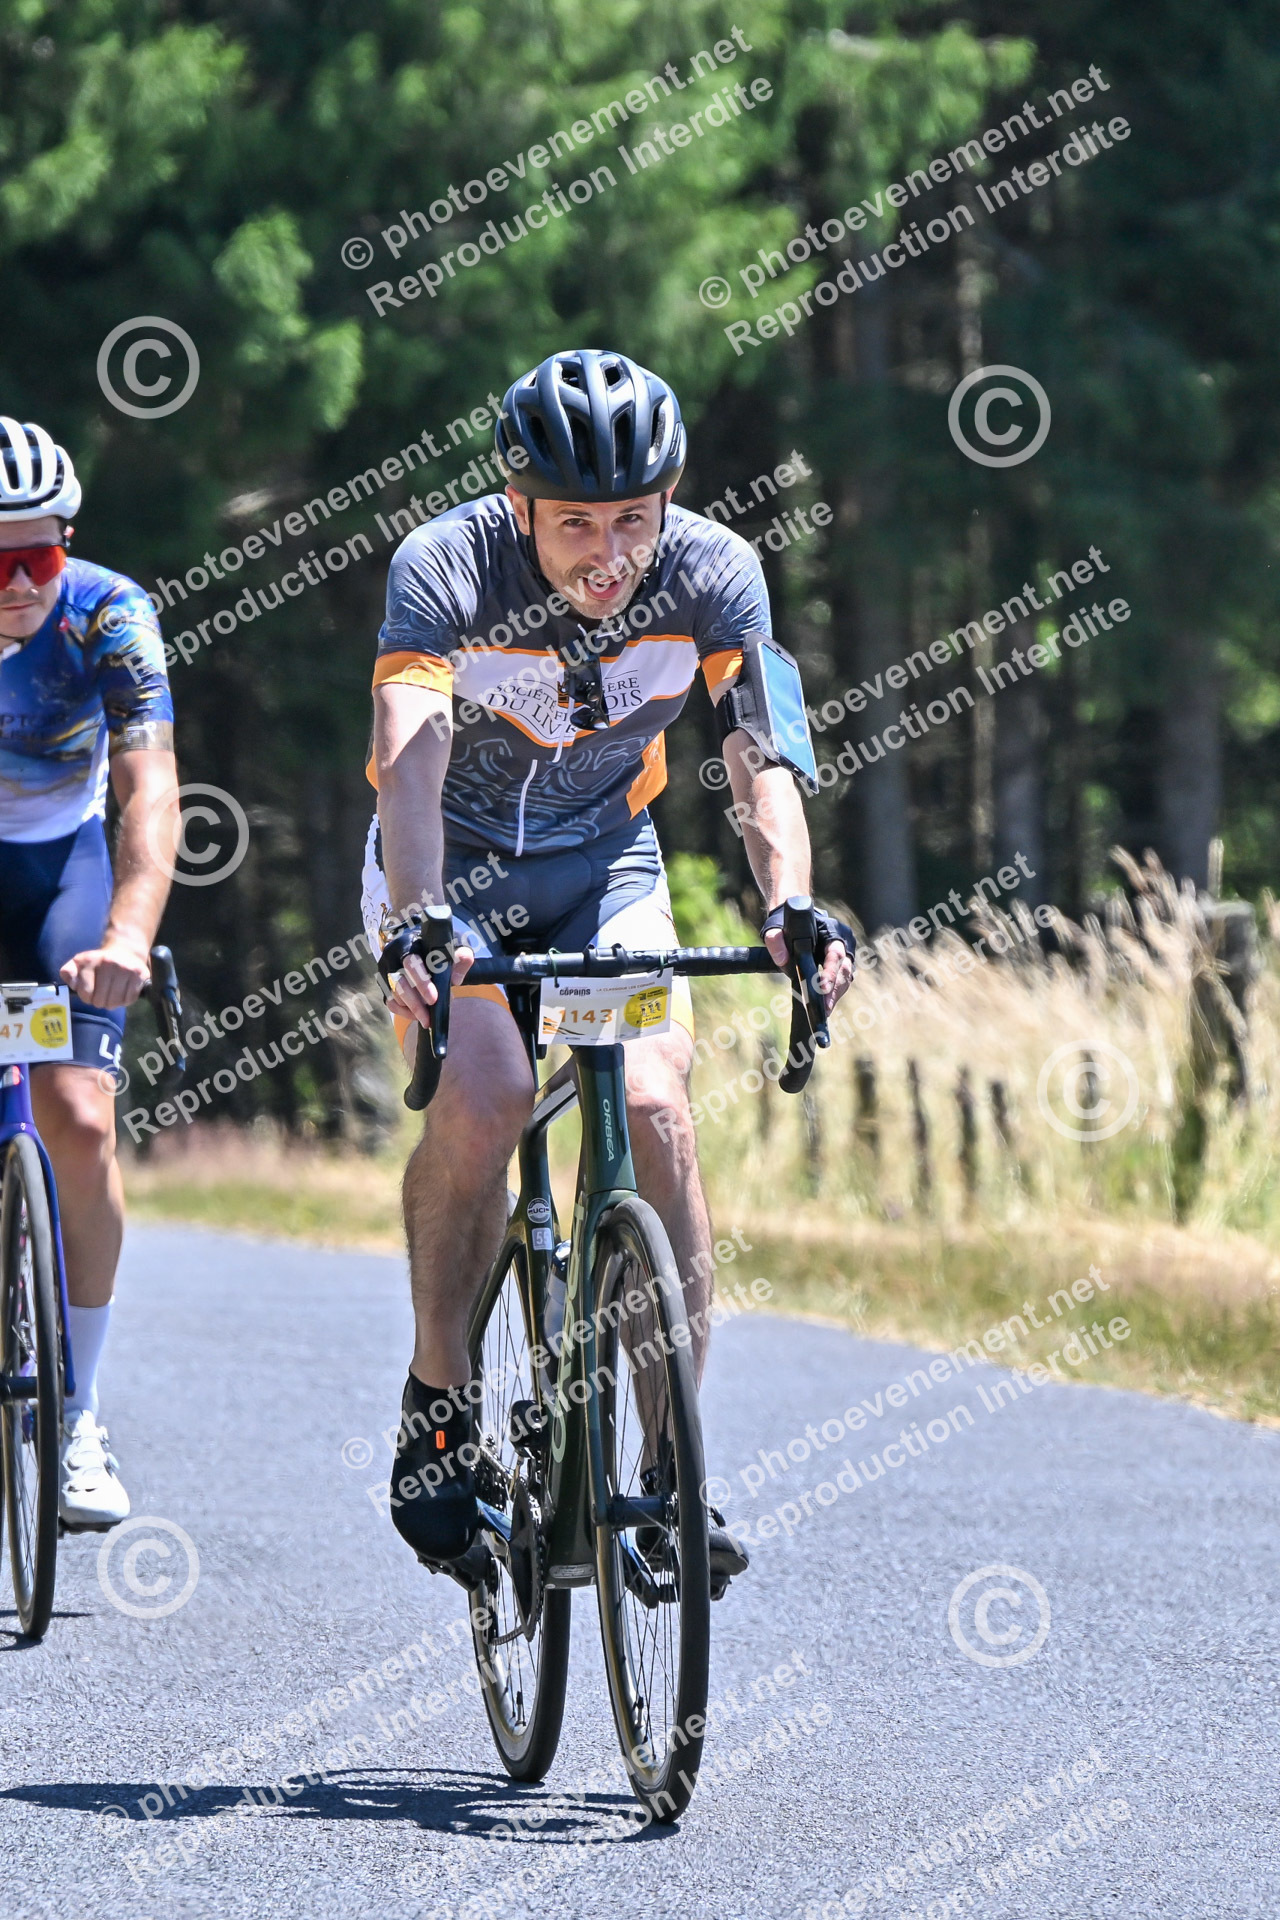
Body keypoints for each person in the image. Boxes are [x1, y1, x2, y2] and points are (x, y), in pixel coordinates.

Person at [362, 349, 852, 1591]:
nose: (609, 554)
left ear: (668, 500)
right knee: (485, 1094)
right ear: (518, 505)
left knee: (651, 1101)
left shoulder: (715, 570)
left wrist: (789, 902)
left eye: (632, 519)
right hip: (455, 866)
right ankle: (438, 1397)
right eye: (575, 524)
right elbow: (408, 752)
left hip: (605, 861)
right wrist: (418, 918)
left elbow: (759, 752)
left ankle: (668, 1466)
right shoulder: (445, 564)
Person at [0, 417, 177, 1528]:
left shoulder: (111, 613)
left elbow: (150, 788)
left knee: (79, 1113)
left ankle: (77, 1414)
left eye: (39, 556)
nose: (20, 585)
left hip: (63, 865)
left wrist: (128, 937)